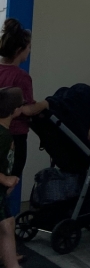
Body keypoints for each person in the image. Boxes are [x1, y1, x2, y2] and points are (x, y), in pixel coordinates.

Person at [0, 87, 45, 268]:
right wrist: (5, 179)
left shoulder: (4, 133)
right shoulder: (2, 136)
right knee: (7, 226)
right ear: (16, 110)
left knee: (7, 225)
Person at [0, 19, 49, 207]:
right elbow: (26, 109)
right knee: (10, 182)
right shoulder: (21, 77)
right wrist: (45, 104)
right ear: (20, 50)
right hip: (15, 137)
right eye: (29, 47)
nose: (29, 51)